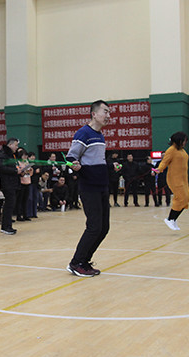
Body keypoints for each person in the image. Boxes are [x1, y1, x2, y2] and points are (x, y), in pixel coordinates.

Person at [65, 100, 111, 277]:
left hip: (102, 186)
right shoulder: (83, 133)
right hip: (89, 187)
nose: (108, 116)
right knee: (94, 227)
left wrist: (110, 166)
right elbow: (71, 158)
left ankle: (84, 261)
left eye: (109, 112)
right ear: (94, 114)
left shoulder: (100, 136)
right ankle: (76, 262)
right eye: (105, 112)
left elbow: (97, 160)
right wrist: (74, 165)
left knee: (104, 228)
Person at [156, 131, 189, 231]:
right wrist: (159, 169)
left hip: (183, 178)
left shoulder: (182, 150)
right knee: (180, 198)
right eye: (184, 140)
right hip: (175, 179)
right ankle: (170, 219)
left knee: (186, 199)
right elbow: (164, 161)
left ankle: (173, 219)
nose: (185, 142)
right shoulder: (171, 150)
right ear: (178, 140)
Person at [0, 137, 22, 235]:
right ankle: (5, 226)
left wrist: (19, 170)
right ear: (10, 145)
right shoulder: (2, 154)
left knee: (11, 205)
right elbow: (2, 168)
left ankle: (8, 225)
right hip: (7, 183)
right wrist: (15, 171)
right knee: (8, 205)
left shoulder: (11, 155)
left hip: (13, 183)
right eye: (16, 145)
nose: (17, 147)